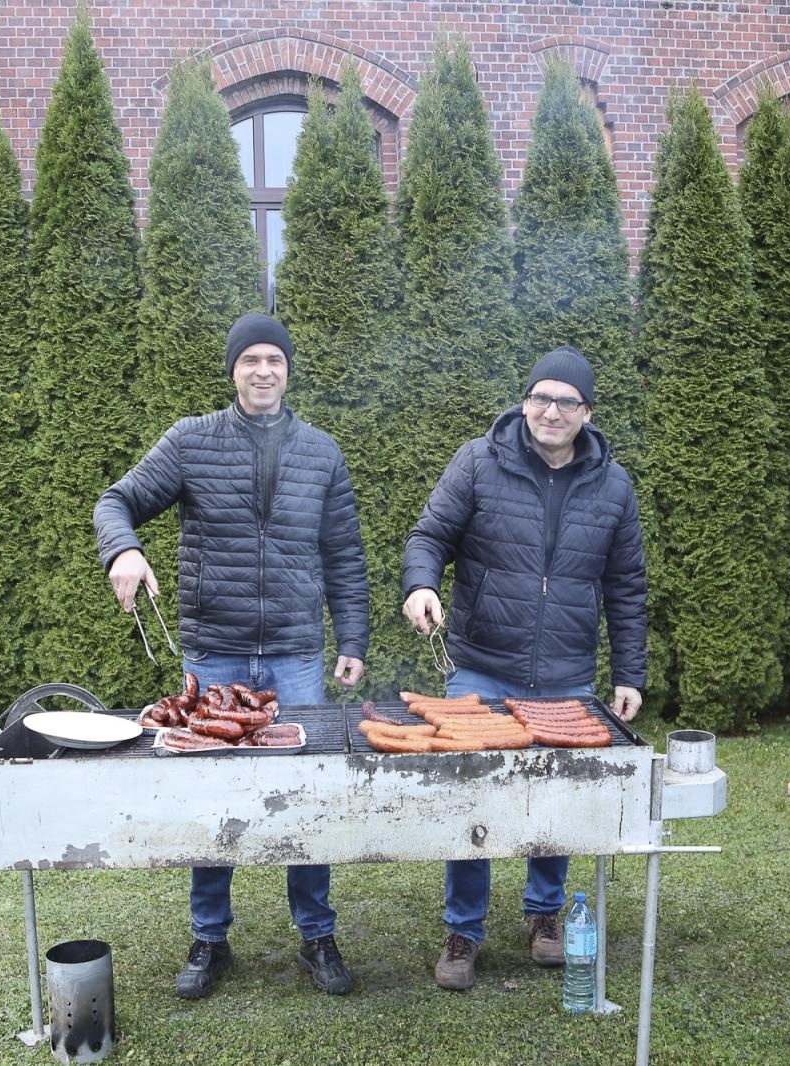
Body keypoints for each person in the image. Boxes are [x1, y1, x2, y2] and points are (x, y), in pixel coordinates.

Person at [94, 312, 369, 999]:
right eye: (250, 360)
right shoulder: (190, 442)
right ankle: (209, 939)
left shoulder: (321, 452)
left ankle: (317, 934)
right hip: (213, 654)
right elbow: (116, 500)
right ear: (234, 371)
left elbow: (344, 556)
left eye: (274, 359)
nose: (263, 371)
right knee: (208, 796)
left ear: (288, 370)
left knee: (305, 797)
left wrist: (355, 641)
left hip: (296, 655)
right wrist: (122, 548)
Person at [400, 345, 647, 991]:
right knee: (471, 796)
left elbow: (626, 587)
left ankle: (544, 917)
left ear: (587, 413)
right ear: (525, 401)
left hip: (566, 671)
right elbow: (430, 535)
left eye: (567, 401)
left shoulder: (613, 486)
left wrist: (630, 673)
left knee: (555, 798)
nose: (552, 410)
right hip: (482, 663)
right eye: (541, 396)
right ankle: (463, 930)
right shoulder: (479, 461)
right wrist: (421, 585)